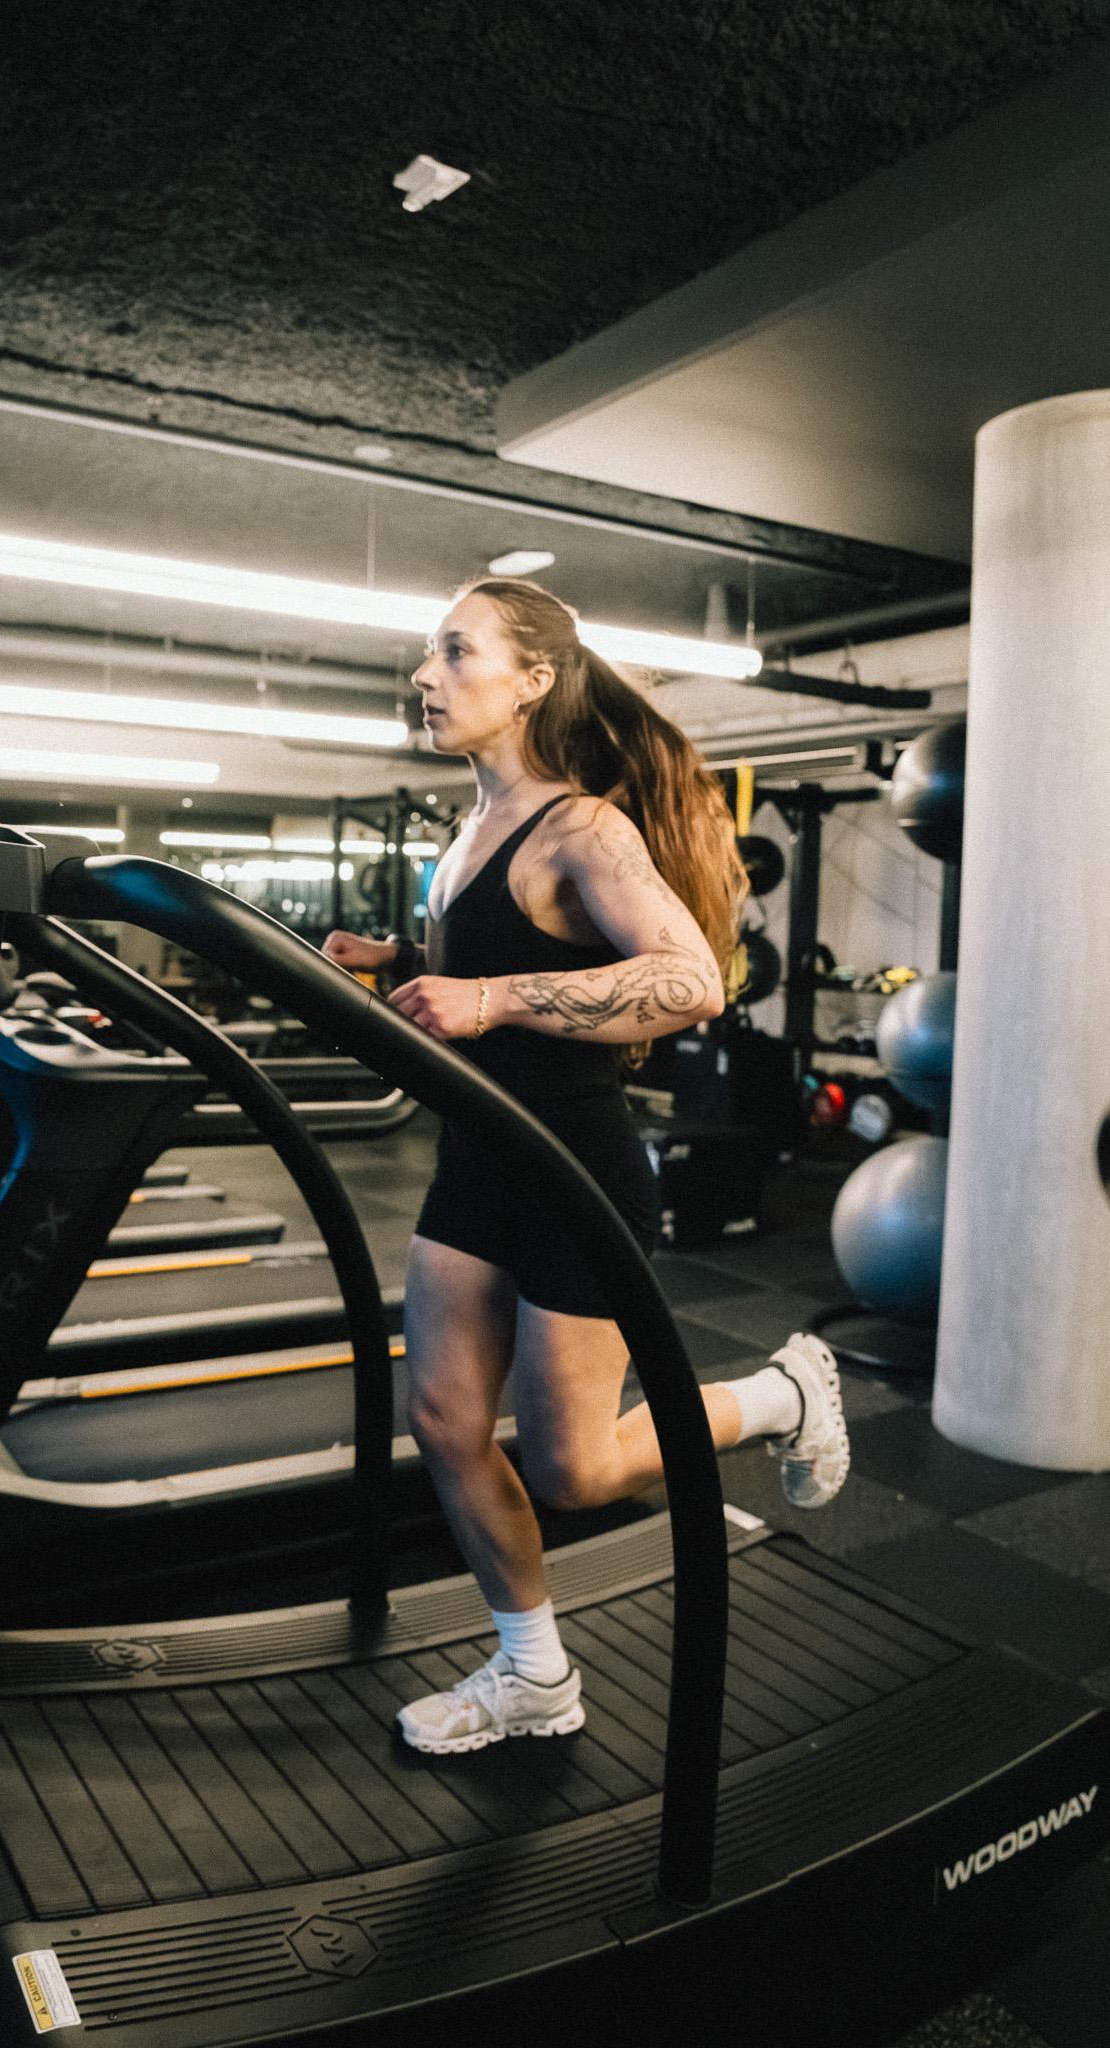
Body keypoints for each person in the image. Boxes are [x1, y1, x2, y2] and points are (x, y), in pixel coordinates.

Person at [321, 577, 848, 1757]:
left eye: (455, 651)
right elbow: (498, 951)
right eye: (427, 652)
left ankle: (783, 1394)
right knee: (448, 1421)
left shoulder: (584, 827)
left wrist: (491, 993)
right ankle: (535, 1675)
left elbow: (690, 979)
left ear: (533, 681)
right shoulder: (464, 834)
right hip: (477, 1165)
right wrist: (403, 957)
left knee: (575, 1464)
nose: (425, 674)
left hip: (576, 1170)